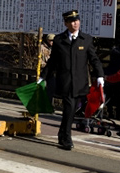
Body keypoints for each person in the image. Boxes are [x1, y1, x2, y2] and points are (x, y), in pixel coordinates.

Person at [41, 10, 104, 151]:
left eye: (77, 20)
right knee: (69, 108)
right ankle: (66, 138)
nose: (75, 23)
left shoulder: (86, 39)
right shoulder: (59, 40)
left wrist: (99, 75)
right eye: (71, 21)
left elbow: (94, 59)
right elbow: (53, 62)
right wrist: (43, 76)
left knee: (70, 110)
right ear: (66, 23)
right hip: (65, 82)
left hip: (80, 83)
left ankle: (62, 133)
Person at [104, 39, 120, 120]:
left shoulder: (115, 52)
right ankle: (116, 113)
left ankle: (111, 112)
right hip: (119, 78)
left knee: (111, 96)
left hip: (113, 77)